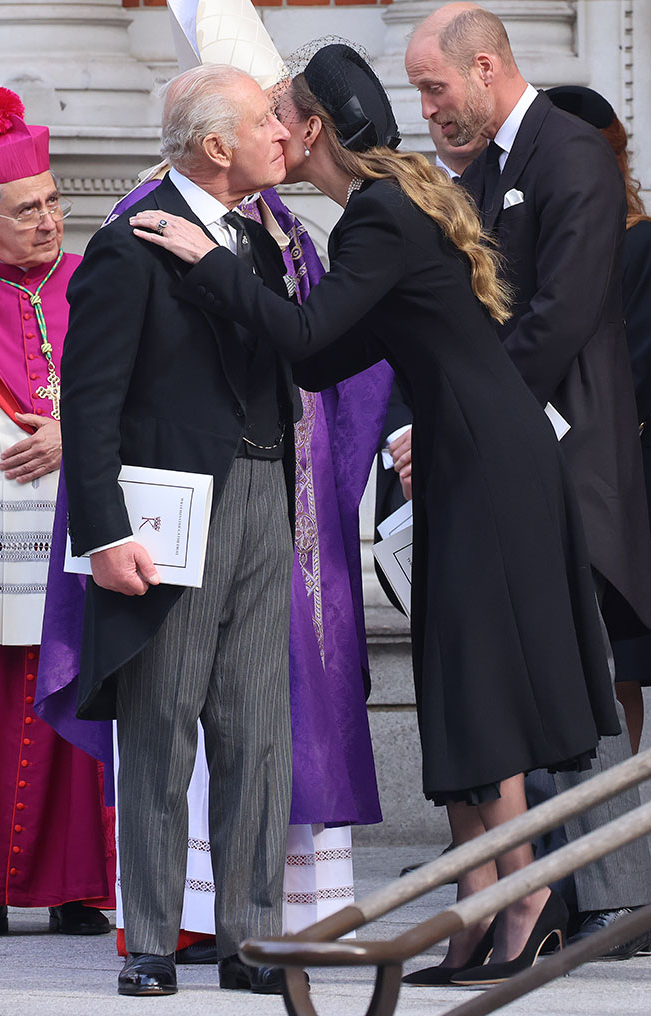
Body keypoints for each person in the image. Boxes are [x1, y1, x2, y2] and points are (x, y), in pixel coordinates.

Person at [129, 41, 621, 988]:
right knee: (456, 680)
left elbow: (311, 338)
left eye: (281, 114)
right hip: (467, 452)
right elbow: (318, 362)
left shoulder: (380, 216)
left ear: (312, 131)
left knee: (481, 684)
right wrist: (257, 276)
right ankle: (481, 904)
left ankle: (521, 898)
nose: (269, 128)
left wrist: (207, 260)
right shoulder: (382, 210)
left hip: (489, 461)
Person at [405, 1, 651, 960]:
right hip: (508, 459)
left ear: (486, 65)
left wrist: (466, 419)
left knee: (566, 688)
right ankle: (531, 898)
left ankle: (575, 903)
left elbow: (561, 316)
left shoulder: (567, 153)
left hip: (566, 465)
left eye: (435, 87)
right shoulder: (492, 167)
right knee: (521, 684)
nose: (428, 109)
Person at [60, 65, 304, 998]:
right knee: (160, 728)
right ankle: (154, 941)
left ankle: (250, 941)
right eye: (263, 122)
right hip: (169, 518)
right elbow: (89, 405)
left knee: (256, 731)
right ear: (215, 146)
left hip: (260, 499)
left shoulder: (270, 238)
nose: (282, 134)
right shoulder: (128, 244)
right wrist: (104, 532)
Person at [0, 88, 114, 939]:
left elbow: (139, 382)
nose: (50, 222)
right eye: (27, 210)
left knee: (71, 704)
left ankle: (75, 886)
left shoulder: (92, 281)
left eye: (55, 202)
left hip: (73, 525)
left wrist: (71, 433)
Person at [545, 84, 651, 759]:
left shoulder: (638, 246)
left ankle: (616, 836)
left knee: (619, 656)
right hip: (573, 462)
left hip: (622, 473)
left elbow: (632, 367)